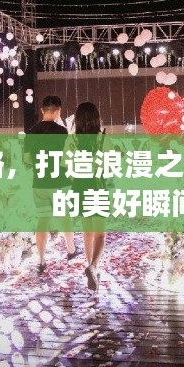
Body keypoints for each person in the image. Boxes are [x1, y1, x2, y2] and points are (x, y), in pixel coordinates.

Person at [23, 95, 79, 275]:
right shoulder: (62, 132)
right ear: (58, 111)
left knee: (43, 220)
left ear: (42, 110)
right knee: (64, 217)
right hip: (60, 182)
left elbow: (27, 159)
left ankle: (41, 261)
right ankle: (71, 250)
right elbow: (66, 158)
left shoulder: (32, 132)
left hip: (39, 182)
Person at [69, 102, 107, 291]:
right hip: (97, 185)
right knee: (100, 234)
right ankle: (93, 266)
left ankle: (91, 266)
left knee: (87, 233)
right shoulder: (102, 138)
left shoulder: (72, 140)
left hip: (79, 186)